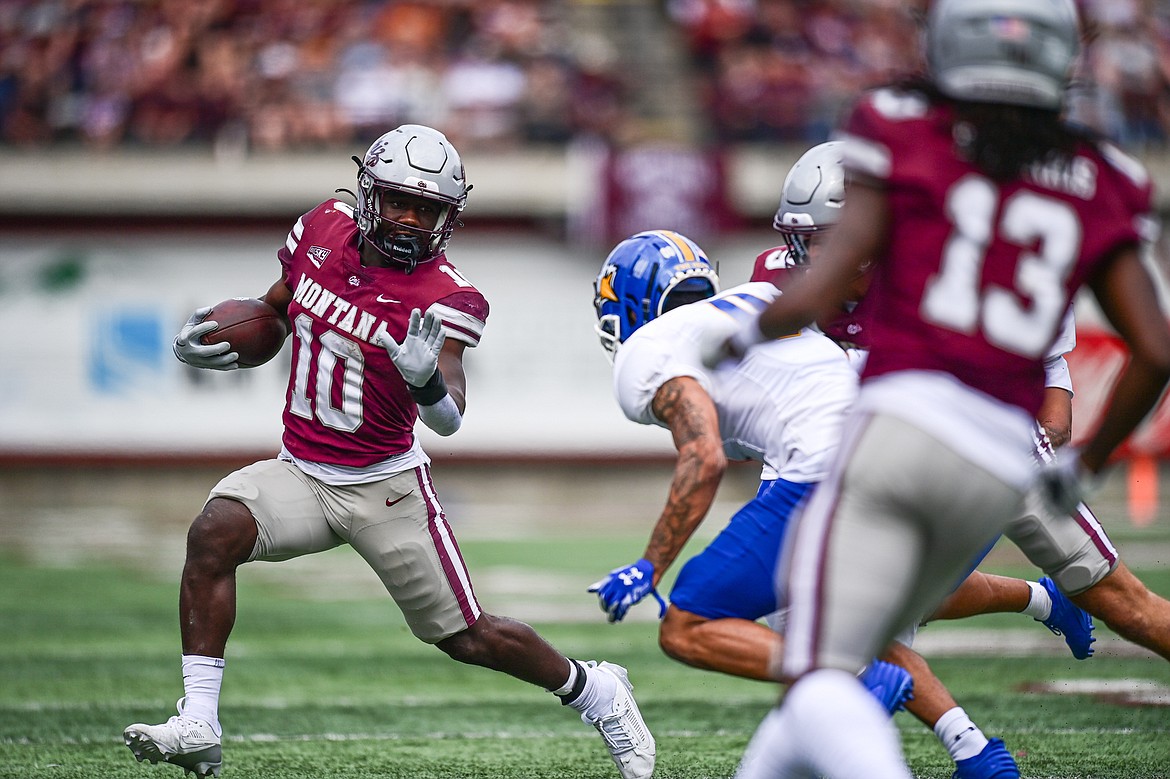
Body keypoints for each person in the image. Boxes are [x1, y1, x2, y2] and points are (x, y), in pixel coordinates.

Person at [708, 1, 1170, 776]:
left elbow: (807, 300)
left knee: (827, 642)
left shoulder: (907, 147)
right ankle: (973, 744)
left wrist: (718, 347)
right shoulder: (1097, 176)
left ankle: (950, 743)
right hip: (981, 446)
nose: (806, 254)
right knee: (849, 628)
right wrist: (1090, 459)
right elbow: (1150, 346)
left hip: (913, 429)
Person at [122, 124, 655, 779]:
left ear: (447, 217)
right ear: (368, 192)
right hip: (303, 473)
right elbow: (275, 310)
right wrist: (217, 341)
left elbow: (451, 416)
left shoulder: (446, 296)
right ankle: (199, 720)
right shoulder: (321, 228)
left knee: (467, 636)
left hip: (385, 485)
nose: (409, 218)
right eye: (399, 200)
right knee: (215, 531)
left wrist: (426, 378)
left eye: (426, 208)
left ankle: (596, 688)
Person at [587, 228, 914, 714]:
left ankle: (846, 677)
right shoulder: (760, 297)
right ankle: (974, 738)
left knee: (688, 623)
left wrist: (649, 565)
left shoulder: (648, 349)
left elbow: (706, 457)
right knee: (893, 599)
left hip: (825, 470)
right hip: (896, 445)